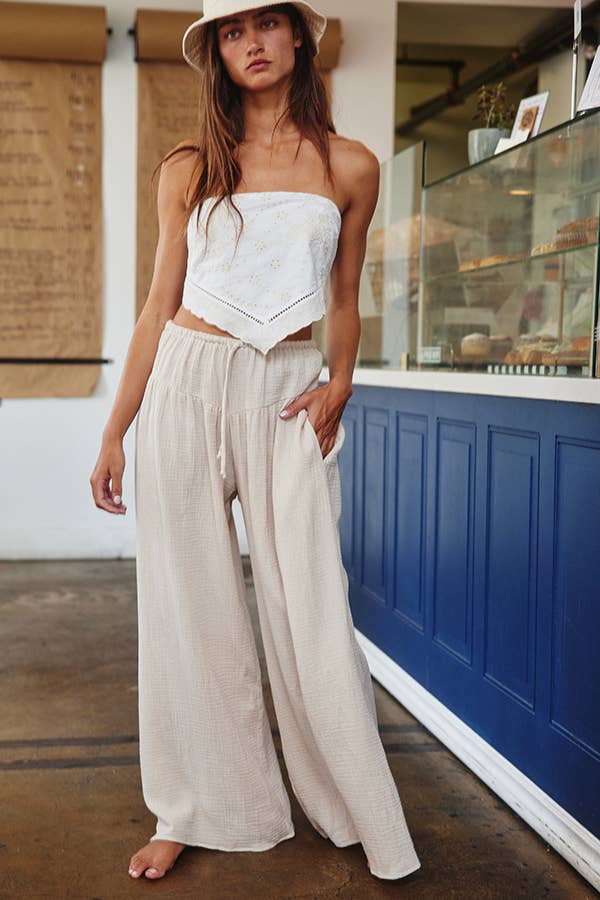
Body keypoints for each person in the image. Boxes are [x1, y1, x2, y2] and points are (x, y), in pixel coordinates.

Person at [89, 0, 421, 884]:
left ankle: (351, 806)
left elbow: (344, 294)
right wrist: (116, 431)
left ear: (298, 35)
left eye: (266, 24)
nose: (252, 44)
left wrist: (340, 382)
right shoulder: (190, 167)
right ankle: (194, 808)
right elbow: (158, 306)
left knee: (310, 603)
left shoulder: (350, 165)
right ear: (217, 55)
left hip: (288, 389)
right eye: (232, 33)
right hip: (186, 381)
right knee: (189, 608)